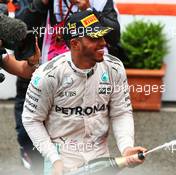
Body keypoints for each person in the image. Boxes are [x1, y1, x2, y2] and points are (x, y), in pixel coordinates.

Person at [22, 9, 146, 175]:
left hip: (100, 159)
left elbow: (121, 112)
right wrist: (53, 159)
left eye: (103, 36)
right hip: (60, 162)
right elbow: (31, 119)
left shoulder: (114, 68)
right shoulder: (48, 75)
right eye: (95, 38)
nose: (103, 43)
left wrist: (126, 147)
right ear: (75, 44)